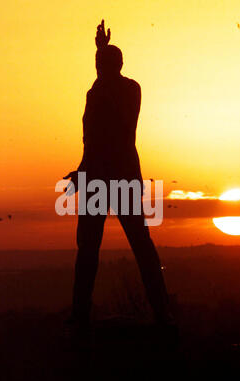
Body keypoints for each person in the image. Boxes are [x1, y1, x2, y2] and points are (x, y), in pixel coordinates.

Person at [64, 20, 175, 335]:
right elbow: (93, 141)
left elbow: (117, 131)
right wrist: (81, 172)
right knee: (91, 249)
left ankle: (162, 312)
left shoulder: (124, 90)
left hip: (114, 179)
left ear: (111, 65)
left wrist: (84, 174)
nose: (97, 68)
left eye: (101, 64)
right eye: (97, 63)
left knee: (135, 246)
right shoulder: (107, 90)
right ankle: (80, 313)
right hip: (101, 179)